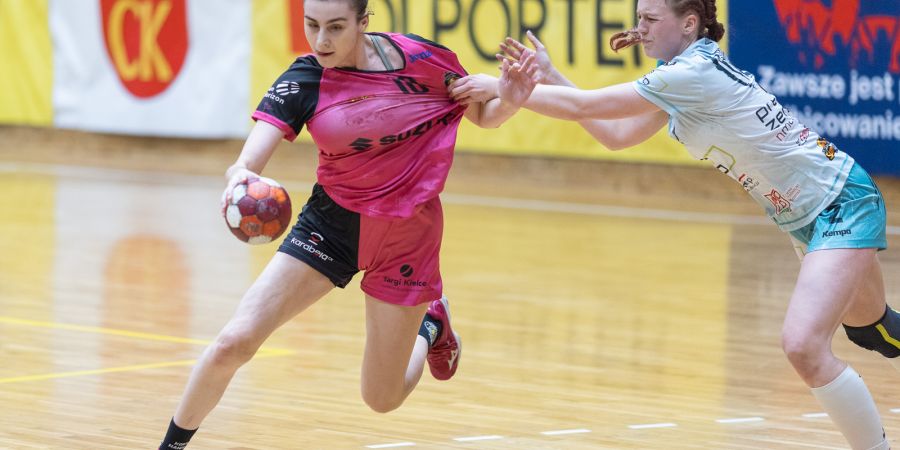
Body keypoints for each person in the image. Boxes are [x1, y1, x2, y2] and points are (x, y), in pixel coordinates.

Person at [452, 0, 894, 448]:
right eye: (638, 18)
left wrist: (503, 89)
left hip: (841, 201)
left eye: (650, 19)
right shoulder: (679, 77)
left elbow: (586, 105)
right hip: (807, 217)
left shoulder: (691, 74)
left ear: (688, 23)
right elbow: (616, 136)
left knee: (803, 346)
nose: (639, 28)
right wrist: (549, 78)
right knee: (876, 332)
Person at [157, 0, 537, 448]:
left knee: (381, 398)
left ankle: (431, 324)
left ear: (363, 22)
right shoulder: (305, 79)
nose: (321, 40)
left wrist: (511, 101)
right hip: (331, 227)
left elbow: (483, 115)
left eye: (336, 27)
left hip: (409, 237)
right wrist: (240, 175)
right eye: (311, 25)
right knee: (233, 343)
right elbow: (248, 161)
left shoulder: (425, 59)